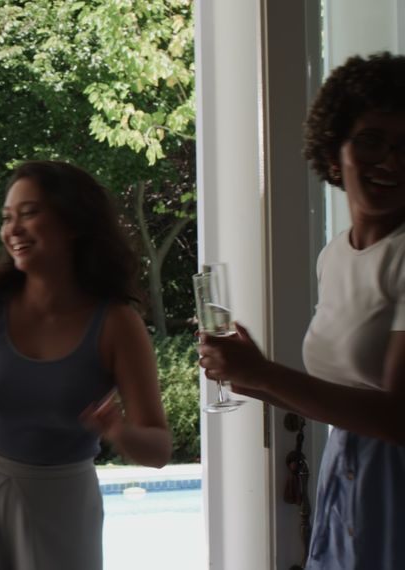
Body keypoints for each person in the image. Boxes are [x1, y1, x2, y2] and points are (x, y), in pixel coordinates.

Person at [0, 160, 172, 569]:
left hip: (65, 510)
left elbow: (158, 448)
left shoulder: (118, 324)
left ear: (74, 223)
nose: (13, 229)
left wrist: (119, 429)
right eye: (7, 218)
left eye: (29, 214)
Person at [197, 52, 405, 569]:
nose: (392, 162)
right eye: (373, 140)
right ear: (333, 154)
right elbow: (344, 401)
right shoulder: (335, 255)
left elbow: (399, 418)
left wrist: (267, 374)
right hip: (346, 477)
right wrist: (254, 380)